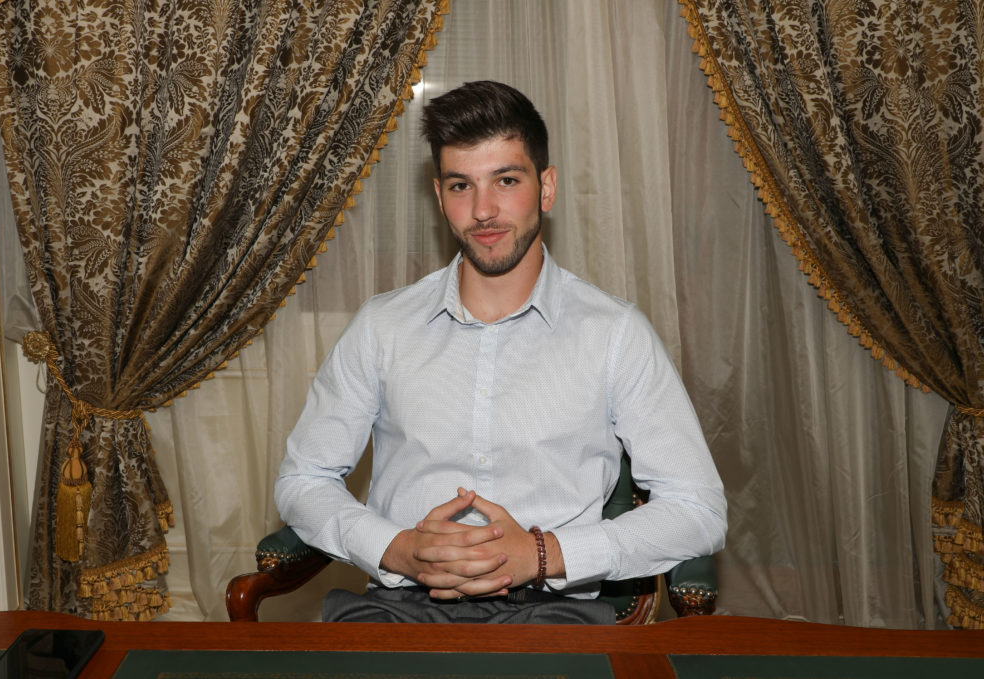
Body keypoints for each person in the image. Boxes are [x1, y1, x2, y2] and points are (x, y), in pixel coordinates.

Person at [274, 80, 726, 624]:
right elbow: (303, 480)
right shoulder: (380, 327)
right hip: (398, 608)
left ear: (546, 188)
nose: (483, 210)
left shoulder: (616, 333)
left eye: (506, 180)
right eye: (461, 185)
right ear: (439, 196)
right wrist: (396, 549)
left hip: (555, 613)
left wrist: (543, 555)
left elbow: (698, 509)